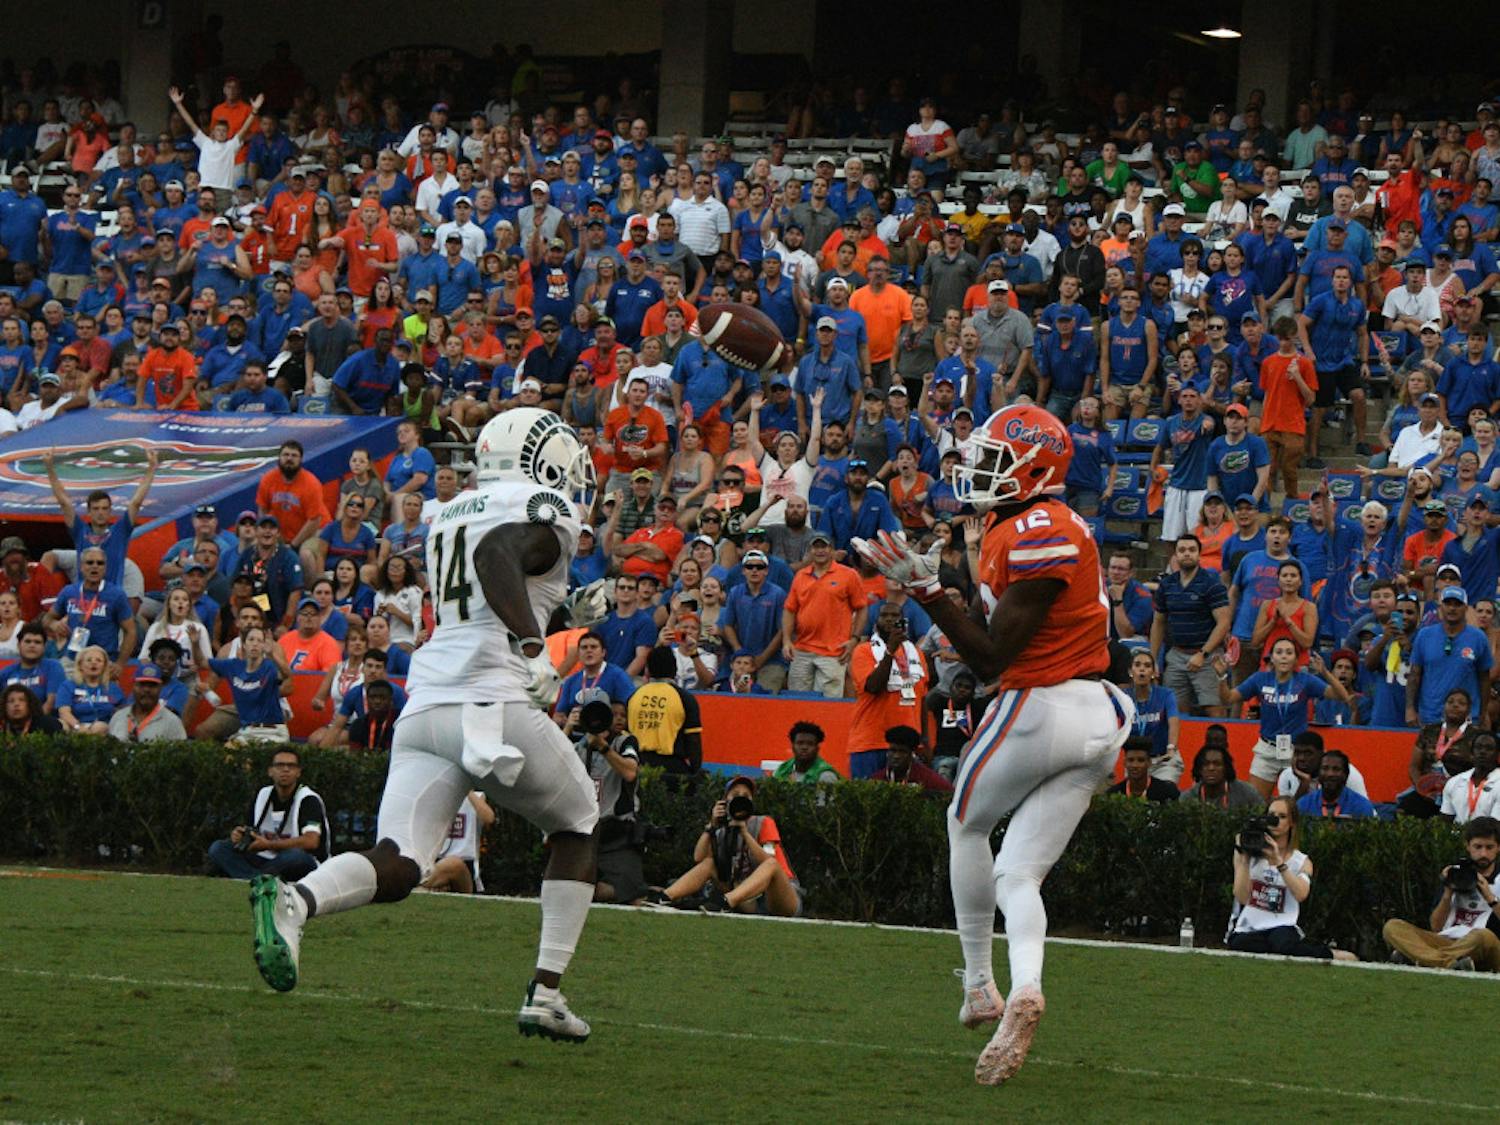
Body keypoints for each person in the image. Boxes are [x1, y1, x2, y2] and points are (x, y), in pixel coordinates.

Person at [246, 406, 605, 1044]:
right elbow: (498, 555)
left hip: (428, 703)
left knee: (401, 861)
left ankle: (296, 902)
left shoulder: (455, 508)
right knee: (579, 822)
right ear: (543, 459)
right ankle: (546, 993)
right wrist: (534, 646)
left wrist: (562, 611)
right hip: (491, 703)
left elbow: (489, 584)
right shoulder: (545, 507)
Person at [852, 402, 1134, 1086]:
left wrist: (927, 590)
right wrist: (947, 581)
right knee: (1018, 873)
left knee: (964, 821)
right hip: (1096, 719)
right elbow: (994, 620)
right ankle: (1027, 986)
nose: (976, 468)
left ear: (1032, 469)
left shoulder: (1037, 529)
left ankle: (980, 982)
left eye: (993, 459)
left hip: (1042, 705)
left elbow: (988, 656)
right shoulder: (1034, 525)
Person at [651, 775, 802, 916]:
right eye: (735, 795)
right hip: (746, 898)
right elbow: (699, 858)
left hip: (779, 896)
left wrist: (745, 833)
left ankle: (724, 903)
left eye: (746, 796)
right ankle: (665, 897)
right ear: (725, 802)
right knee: (710, 863)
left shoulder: (763, 822)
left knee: (771, 864)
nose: (740, 799)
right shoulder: (722, 831)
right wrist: (711, 825)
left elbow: (769, 861)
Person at [1227, 796, 1356, 960]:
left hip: (1282, 924)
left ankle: (1331, 954)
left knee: (1283, 946)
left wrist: (1279, 863)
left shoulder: (1301, 861)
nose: (1275, 821)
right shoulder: (1250, 853)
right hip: (1250, 926)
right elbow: (1242, 897)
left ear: (1292, 823)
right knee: (1242, 944)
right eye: (1271, 816)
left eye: (1282, 817)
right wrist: (1245, 858)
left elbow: (1301, 894)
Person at [1214, 642, 1348, 798]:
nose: (1284, 656)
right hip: (1267, 750)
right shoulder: (1260, 679)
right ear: (1272, 658)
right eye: (1279, 652)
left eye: (1289, 652)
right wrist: (1221, 677)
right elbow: (1228, 698)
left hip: (1297, 753)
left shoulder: (1306, 681)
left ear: (1296, 659)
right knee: (1255, 804)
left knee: (1296, 804)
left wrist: (1325, 672)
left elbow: (1342, 696)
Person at [1383, 816, 1500, 971]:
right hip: (1449, 942)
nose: (1483, 853)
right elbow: (1436, 927)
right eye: (1477, 847)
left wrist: (1490, 897)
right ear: (1468, 846)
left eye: (1489, 847)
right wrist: (1447, 892)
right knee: (1392, 927)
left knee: (1483, 936)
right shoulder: (1457, 873)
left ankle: (1420, 958)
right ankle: (1448, 963)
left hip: (1486, 945)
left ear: (1498, 847)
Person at [206, 748, 328, 881]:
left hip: (298, 860)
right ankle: (257, 879)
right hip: (265, 858)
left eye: (291, 766)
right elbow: (251, 831)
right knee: (219, 848)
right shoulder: (263, 795)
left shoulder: (308, 799)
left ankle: (251, 878)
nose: (285, 770)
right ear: (270, 771)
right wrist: (240, 836)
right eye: (280, 765)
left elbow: (311, 842)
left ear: (299, 772)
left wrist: (269, 845)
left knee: (296, 856)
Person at [569, 699, 645, 904]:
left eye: (622, 715)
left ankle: (653, 893)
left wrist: (603, 747)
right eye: (613, 714)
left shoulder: (624, 742)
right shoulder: (578, 745)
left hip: (617, 830)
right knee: (569, 888)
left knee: (633, 894)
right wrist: (567, 729)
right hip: (583, 830)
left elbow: (630, 772)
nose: (617, 719)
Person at [1151, 534, 1232, 718]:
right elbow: (1158, 622)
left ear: (1199, 554)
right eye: (1182, 550)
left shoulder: (1212, 584)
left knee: (1214, 709)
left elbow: (1224, 623)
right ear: (1175, 555)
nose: (1187, 554)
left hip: (1208, 656)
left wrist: (1203, 654)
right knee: (1174, 711)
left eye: (1191, 550)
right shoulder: (1166, 585)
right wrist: (1153, 658)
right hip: (1176, 655)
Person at [846, 601, 929, 777]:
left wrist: (924, 740)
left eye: (895, 616)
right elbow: (873, 686)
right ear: (876, 622)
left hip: (906, 745)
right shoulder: (863, 651)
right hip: (871, 742)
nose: (889, 619)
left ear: (904, 622)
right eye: (884, 615)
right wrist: (890, 651)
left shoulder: (917, 654)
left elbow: (922, 698)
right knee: (866, 793)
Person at [782, 529, 867, 698]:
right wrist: (786, 640)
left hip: (833, 652)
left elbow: (862, 608)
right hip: (802, 649)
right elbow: (789, 609)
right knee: (797, 702)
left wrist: (854, 639)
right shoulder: (800, 576)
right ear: (809, 551)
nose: (820, 551)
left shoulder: (848, 575)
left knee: (828, 705)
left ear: (832, 550)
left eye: (824, 547)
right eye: (815, 547)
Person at [1408, 586, 1494, 727]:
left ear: (1466, 608)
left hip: (1467, 719)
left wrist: (1482, 713)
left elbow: (1484, 679)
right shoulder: (1424, 635)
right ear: (1440, 606)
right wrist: (1410, 709)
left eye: (1457, 604)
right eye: (1448, 603)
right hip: (1431, 717)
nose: (1452, 608)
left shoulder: (1478, 638)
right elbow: (1415, 674)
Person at [627, 645, 703, 778]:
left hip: (637, 765)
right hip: (671, 768)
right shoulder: (684, 698)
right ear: (674, 669)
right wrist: (695, 773)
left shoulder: (634, 697)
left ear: (648, 670)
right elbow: (693, 741)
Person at [107, 662, 187, 742]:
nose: (146, 690)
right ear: (133, 686)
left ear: (160, 688)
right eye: (142, 684)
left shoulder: (173, 722)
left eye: (152, 685)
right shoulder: (118, 717)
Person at [1296, 750, 1378, 819]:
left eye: (1336, 769)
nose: (1330, 774)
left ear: (1345, 775)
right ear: (1318, 773)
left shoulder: (1361, 806)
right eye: (1325, 768)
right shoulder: (1304, 804)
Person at [1179, 741, 1263, 808]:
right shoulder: (1187, 798)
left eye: (1217, 764)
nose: (1211, 768)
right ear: (1199, 769)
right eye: (1206, 764)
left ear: (1226, 768)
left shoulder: (1246, 793)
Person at [872, 724, 953, 792]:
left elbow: (949, 794)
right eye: (893, 751)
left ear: (912, 753)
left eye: (902, 751)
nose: (896, 756)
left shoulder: (928, 778)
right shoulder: (878, 779)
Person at [1440, 731, 1500, 825]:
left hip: (1489, 834)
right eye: (1478, 747)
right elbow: (1446, 820)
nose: (1482, 752)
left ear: (1497, 754)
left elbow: (1496, 825)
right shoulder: (1454, 782)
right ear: (1472, 752)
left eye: (1489, 748)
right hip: (1457, 833)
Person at [1108, 737, 1181, 801]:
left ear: (1149, 762)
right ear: (1124, 763)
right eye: (1130, 760)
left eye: (1141, 760)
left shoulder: (1167, 792)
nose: (1135, 765)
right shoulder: (1112, 794)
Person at [771, 720, 842, 784]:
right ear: (793, 747)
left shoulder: (826, 776)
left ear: (817, 749)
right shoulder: (782, 770)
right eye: (800, 743)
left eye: (810, 744)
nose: (804, 747)